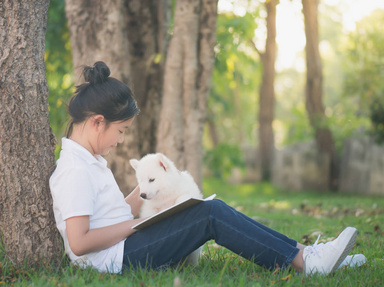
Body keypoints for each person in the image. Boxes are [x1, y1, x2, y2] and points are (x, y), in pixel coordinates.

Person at [50, 61, 365, 275]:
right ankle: (306, 263)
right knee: (210, 213)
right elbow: (79, 242)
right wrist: (141, 225)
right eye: (121, 131)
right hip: (118, 259)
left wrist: (150, 187)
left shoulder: (89, 162)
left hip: (123, 249)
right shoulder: (75, 170)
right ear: (97, 122)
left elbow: (110, 214)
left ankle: (308, 254)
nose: (119, 141)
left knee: (210, 207)